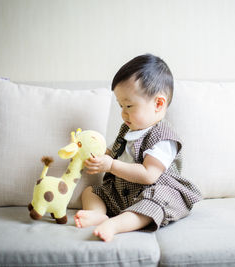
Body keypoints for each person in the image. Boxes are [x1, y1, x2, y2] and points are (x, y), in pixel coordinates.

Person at [74, 54, 202, 242]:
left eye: (129, 106)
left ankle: (115, 225)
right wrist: (99, 156)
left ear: (158, 104)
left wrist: (110, 166)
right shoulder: (128, 128)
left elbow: (148, 174)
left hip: (153, 191)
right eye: (120, 106)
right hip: (121, 192)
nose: (123, 113)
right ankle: (97, 214)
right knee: (91, 191)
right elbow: (114, 151)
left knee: (151, 205)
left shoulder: (164, 137)